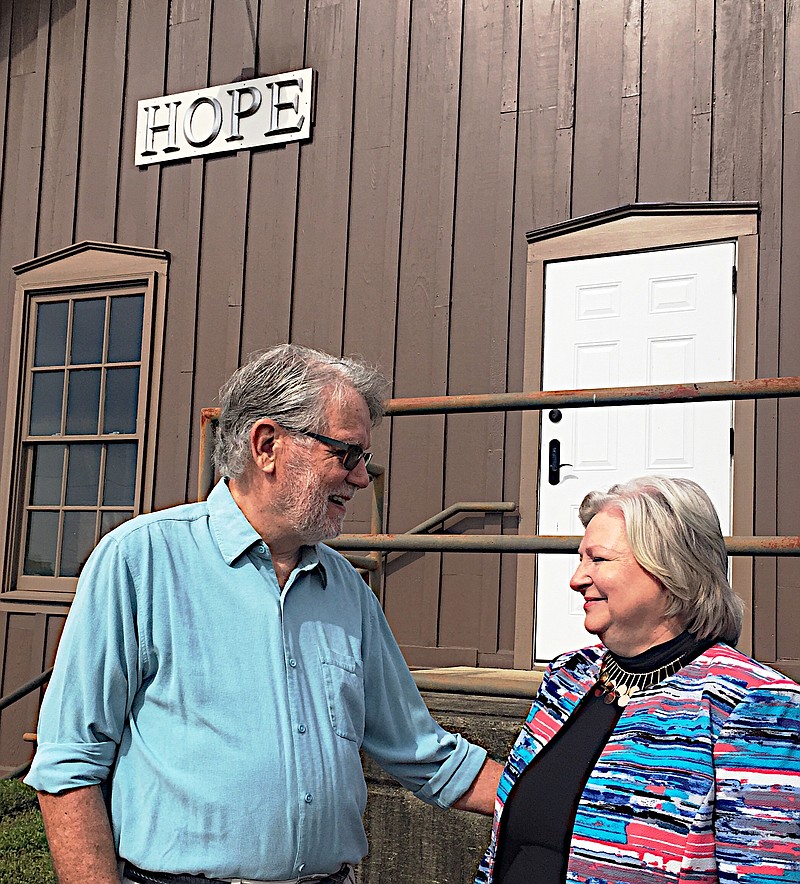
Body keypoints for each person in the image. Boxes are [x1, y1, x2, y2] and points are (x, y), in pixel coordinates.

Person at [26, 344, 502, 884]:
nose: (363, 478)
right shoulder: (141, 560)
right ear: (268, 445)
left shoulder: (347, 590)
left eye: (364, 459)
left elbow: (424, 753)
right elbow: (69, 765)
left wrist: (566, 801)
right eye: (347, 454)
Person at [476, 475, 800, 884]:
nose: (576, 579)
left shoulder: (753, 704)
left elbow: (768, 872)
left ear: (669, 568)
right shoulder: (567, 678)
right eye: (580, 559)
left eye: (598, 559)